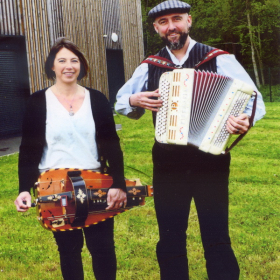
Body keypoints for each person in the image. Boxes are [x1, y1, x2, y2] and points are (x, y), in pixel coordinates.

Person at [115, 1, 266, 279]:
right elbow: (122, 101)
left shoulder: (218, 59)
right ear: (156, 28)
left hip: (211, 159)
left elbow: (255, 101)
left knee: (216, 233)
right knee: (170, 235)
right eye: (163, 22)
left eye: (176, 19)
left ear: (189, 21)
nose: (171, 26)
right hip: (168, 162)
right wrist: (133, 100)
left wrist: (244, 121)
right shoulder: (151, 65)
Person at [14, 37, 127, 280]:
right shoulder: (37, 102)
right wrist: (24, 189)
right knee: (69, 251)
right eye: (62, 60)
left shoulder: (97, 99)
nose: (69, 66)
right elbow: (28, 150)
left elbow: (112, 145)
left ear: (81, 66)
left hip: (96, 184)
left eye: (74, 60)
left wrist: (118, 184)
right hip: (54, 187)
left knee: (103, 249)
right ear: (52, 67)